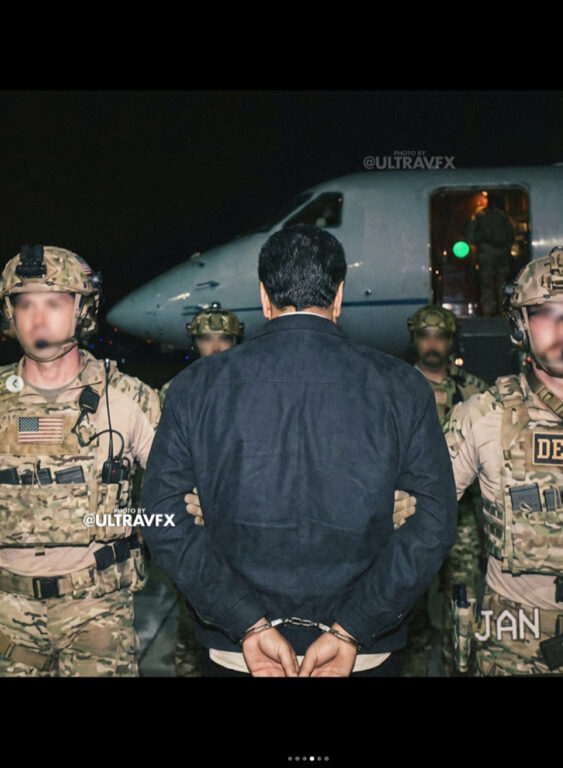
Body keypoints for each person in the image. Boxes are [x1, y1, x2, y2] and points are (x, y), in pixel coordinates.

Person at [141, 224, 457, 677]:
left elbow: (162, 517)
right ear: (339, 294)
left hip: (243, 652)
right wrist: (353, 627)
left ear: (264, 296)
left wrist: (244, 621)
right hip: (359, 653)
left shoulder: (197, 386)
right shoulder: (402, 386)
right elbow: (434, 522)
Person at [445, 246, 563, 675]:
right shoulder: (482, 416)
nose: (562, 328)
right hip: (510, 648)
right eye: (545, 314)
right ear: (521, 326)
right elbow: (416, 510)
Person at [0, 245, 160, 676]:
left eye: (53, 303)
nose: (37, 318)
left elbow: (183, 493)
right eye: (25, 303)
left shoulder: (128, 398)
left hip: (97, 612)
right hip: (7, 615)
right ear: (10, 313)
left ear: (82, 310)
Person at [160, 302, 244, 677]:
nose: (215, 347)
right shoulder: (175, 392)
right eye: (206, 339)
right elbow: (159, 465)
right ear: (195, 343)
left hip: (242, 526)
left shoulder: (253, 390)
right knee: (190, 616)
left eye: (224, 338)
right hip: (192, 525)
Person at [405, 305, 487, 674]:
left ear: (451, 340)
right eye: (425, 335)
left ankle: (458, 663)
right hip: (410, 513)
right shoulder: (400, 386)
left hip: (461, 514)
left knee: (463, 600)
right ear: (415, 339)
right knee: (409, 599)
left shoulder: (473, 391)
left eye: (440, 336)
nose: (432, 343)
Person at [465, 195, 515, 316]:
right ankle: (504, 309)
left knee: (487, 283)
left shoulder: (479, 215)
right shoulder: (504, 216)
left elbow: (470, 236)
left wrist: (481, 240)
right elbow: (511, 235)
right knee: (502, 282)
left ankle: (489, 310)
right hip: (503, 252)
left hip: (486, 252)